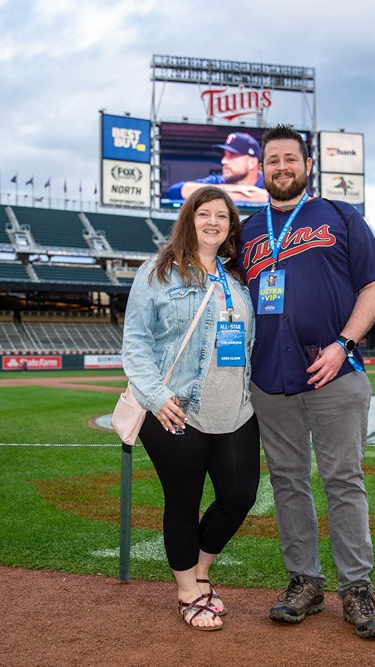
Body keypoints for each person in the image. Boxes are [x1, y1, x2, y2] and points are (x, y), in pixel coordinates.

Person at [237, 125, 375, 639]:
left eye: (290, 158)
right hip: (269, 379)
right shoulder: (246, 231)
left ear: (307, 166)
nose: (281, 167)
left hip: (334, 372)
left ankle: (357, 589)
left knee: (343, 480)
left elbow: (374, 285)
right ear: (262, 169)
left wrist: (343, 343)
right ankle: (305, 582)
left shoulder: (342, 216)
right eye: (272, 160)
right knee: (287, 481)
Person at [122, 186, 260, 632]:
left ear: (230, 225)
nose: (213, 222)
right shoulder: (158, 271)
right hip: (175, 408)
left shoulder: (237, 277)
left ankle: (201, 572)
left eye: (222, 215)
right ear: (189, 219)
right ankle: (188, 592)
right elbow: (136, 343)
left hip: (235, 409)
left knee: (239, 496)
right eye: (204, 214)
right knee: (183, 501)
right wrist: (156, 396)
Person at [166, 132, 268, 204]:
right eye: (225, 155)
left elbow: (276, 200)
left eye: (232, 155)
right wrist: (233, 189)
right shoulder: (219, 181)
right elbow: (175, 191)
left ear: (252, 162)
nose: (223, 161)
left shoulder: (269, 184)